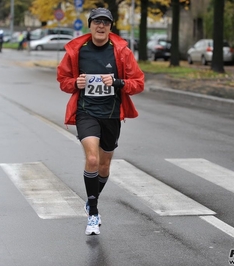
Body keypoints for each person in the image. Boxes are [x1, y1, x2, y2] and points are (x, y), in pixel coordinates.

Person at [57, 7, 144, 236]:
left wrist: (117, 82)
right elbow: (63, 80)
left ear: (110, 27)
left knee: (104, 167)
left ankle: (91, 198)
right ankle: (93, 214)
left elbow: (138, 83)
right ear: (90, 25)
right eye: (97, 22)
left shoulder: (121, 52)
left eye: (106, 22)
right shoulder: (78, 51)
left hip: (112, 115)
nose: (101, 26)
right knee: (92, 159)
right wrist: (76, 83)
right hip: (86, 112)